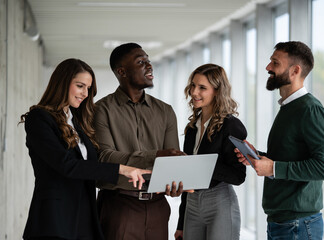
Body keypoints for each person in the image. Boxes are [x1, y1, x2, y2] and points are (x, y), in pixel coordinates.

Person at [20, 58, 151, 240]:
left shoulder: (76, 121)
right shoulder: (39, 118)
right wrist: (122, 169)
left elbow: (92, 164)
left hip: (84, 218)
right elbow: (67, 165)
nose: (85, 93)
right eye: (80, 86)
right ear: (63, 83)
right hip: (54, 219)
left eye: (88, 88)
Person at [236, 41, 324, 240]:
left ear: (295, 70)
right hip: (283, 222)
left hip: (298, 225)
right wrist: (258, 156)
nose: (268, 67)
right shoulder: (289, 108)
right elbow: (290, 156)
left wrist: (273, 168)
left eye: (275, 63)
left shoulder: (309, 109)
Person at [94, 42, 184, 240]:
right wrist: (157, 155)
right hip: (119, 206)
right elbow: (105, 157)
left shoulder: (165, 111)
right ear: (122, 71)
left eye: (149, 61)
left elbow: (172, 160)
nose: (149, 66)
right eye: (141, 62)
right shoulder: (101, 110)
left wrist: (175, 184)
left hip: (158, 208)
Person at [175, 63, 247, 240]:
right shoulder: (192, 127)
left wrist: (204, 165)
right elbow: (188, 175)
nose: (194, 92)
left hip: (219, 202)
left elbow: (238, 176)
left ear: (217, 91)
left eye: (202, 88)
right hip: (192, 204)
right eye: (193, 85)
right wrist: (180, 223)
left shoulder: (231, 126)